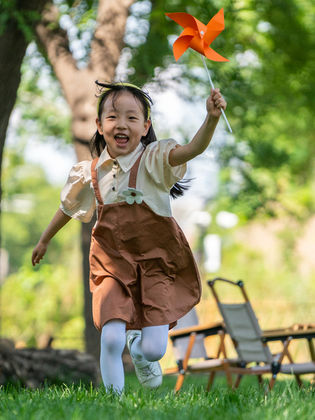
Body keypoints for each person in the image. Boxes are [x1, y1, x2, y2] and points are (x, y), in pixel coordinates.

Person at [32, 81, 227, 393]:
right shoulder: (91, 172)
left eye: (131, 117)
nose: (121, 124)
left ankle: (139, 349)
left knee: (154, 350)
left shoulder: (156, 159)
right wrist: (44, 239)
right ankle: (113, 405)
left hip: (157, 263)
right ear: (99, 125)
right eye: (112, 117)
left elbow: (194, 148)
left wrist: (212, 118)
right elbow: (67, 208)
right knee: (110, 338)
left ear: (145, 125)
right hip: (112, 263)